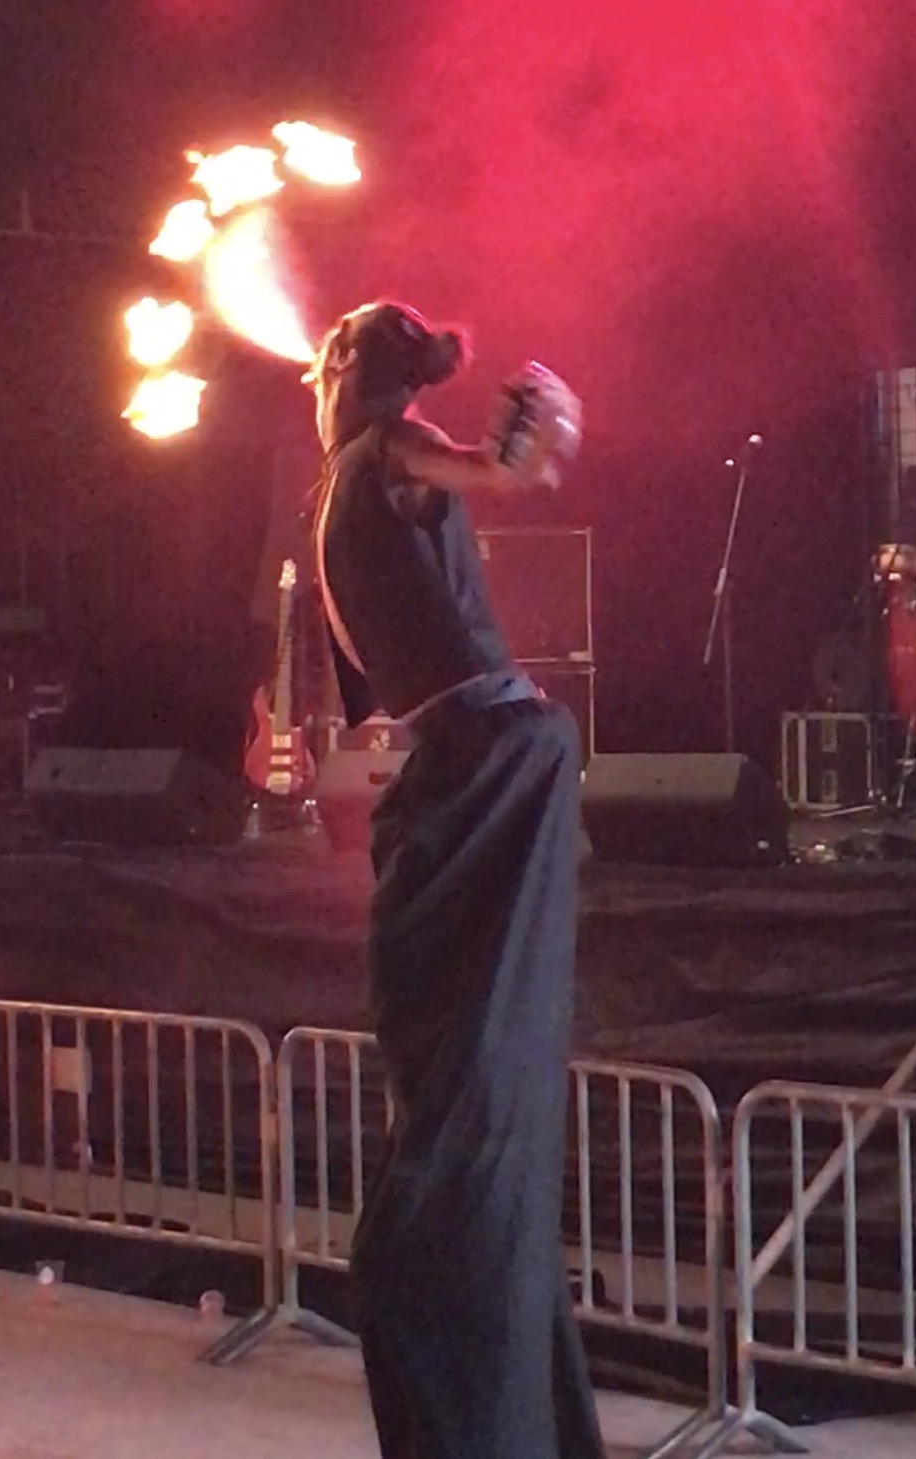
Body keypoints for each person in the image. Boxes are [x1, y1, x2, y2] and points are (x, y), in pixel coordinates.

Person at [306, 300, 605, 1459]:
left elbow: (484, 469)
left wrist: (522, 446)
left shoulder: (389, 448)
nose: (308, 375)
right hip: (466, 765)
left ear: (348, 369)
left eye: (323, 357)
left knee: (453, 1123)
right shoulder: (347, 478)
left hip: (490, 765)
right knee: (439, 1053)